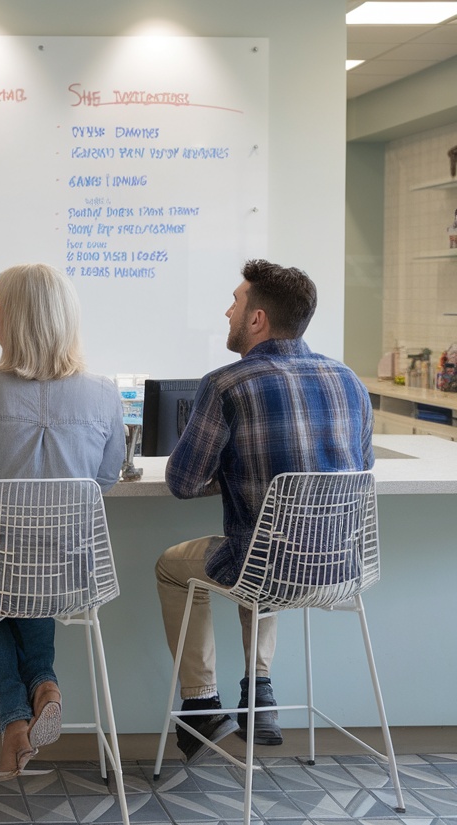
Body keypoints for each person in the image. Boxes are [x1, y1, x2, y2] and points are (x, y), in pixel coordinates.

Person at [156, 259, 373, 762]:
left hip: (265, 567)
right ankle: (260, 692)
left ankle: (201, 702)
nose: (227, 310)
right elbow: (361, 472)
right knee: (268, 542)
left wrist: (237, 470)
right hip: (343, 567)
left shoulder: (227, 385)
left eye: (235, 301)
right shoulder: (350, 381)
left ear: (257, 319)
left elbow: (182, 483)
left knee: (179, 566)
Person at [0, 263, 125, 778]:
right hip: (69, 569)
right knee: (36, 575)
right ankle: (43, 683)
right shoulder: (106, 393)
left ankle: (16, 722)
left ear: (13, 319)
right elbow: (105, 478)